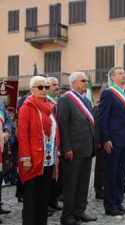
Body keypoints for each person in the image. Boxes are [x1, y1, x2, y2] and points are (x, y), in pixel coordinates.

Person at [18, 76, 60, 225]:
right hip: (33, 160)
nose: (44, 90)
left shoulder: (48, 106)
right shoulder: (26, 107)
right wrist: (25, 158)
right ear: (31, 90)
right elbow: (22, 135)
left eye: (46, 87)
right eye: (40, 87)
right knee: (31, 200)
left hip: (47, 159)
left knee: (43, 199)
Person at [58, 72, 97, 225]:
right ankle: (67, 216)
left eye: (86, 81)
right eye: (82, 81)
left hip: (87, 148)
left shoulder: (86, 101)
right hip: (73, 149)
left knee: (83, 183)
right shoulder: (66, 99)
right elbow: (63, 125)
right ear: (73, 83)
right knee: (71, 184)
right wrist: (67, 147)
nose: (85, 83)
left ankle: (80, 211)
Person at [98, 67, 125, 216]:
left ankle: (119, 202)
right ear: (112, 77)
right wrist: (105, 139)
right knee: (111, 175)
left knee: (121, 175)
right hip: (114, 140)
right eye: (120, 73)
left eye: (124, 73)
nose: (124, 76)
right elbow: (102, 118)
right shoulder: (108, 93)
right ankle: (110, 206)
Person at [46, 77, 63, 212]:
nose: (57, 87)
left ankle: (53, 200)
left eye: (58, 85)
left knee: (57, 174)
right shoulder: (45, 102)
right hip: (48, 144)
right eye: (53, 85)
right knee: (49, 175)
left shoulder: (59, 102)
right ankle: (46, 203)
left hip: (59, 143)